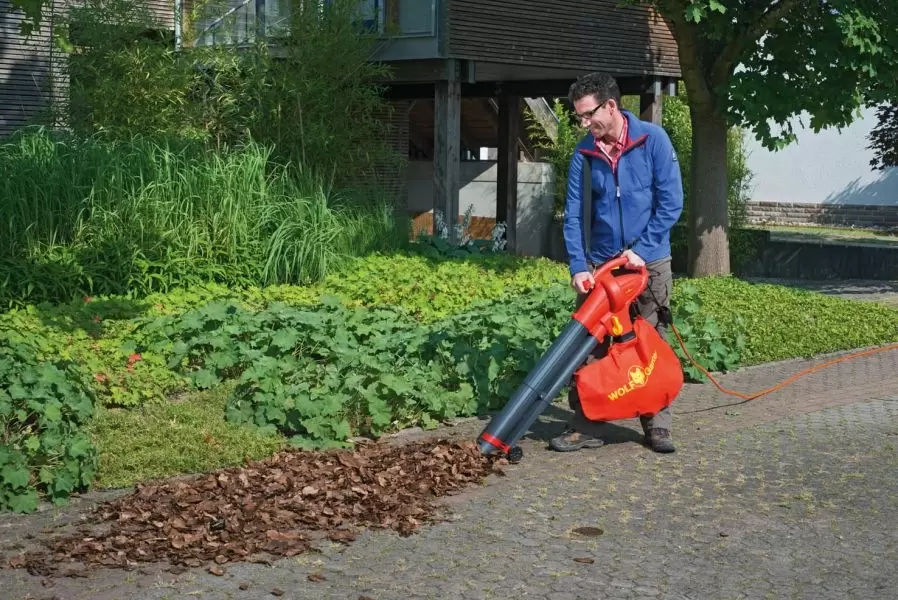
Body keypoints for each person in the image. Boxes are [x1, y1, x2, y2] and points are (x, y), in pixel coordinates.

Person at [550, 72, 684, 454]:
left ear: (611, 106)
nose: (584, 123)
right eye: (579, 117)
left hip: (649, 262)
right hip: (602, 266)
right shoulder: (584, 154)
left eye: (588, 114)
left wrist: (642, 249)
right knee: (590, 346)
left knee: (650, 339)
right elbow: (574, 214)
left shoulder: (652, 140)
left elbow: (671, 202)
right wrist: (579, 265)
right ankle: (588, 424)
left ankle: (657, 424)